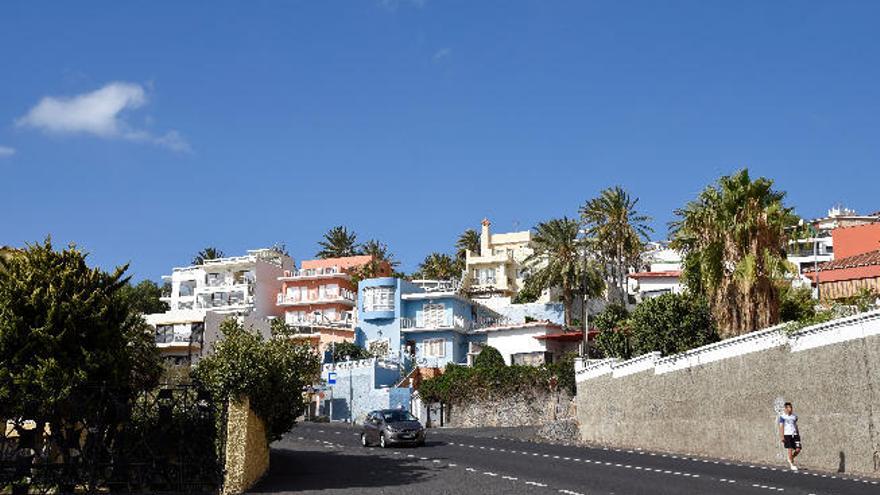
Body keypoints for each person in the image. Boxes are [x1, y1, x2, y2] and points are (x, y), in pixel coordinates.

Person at [778, 402, 801, 471]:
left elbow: (795, 425)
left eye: (791, 407)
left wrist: (798, 433)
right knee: (790, 449)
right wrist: (782, 436)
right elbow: (781, 427)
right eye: (788, 408)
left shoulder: (794, 416)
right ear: (785, 409)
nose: (790, 409)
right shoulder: (782, 417)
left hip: (795, 434)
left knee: (798, 449)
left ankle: (791, 458)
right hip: (787, 435)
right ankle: (792, 464)